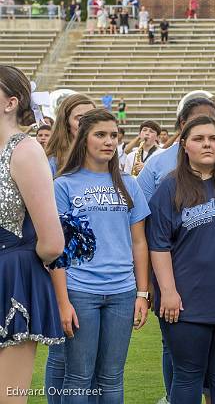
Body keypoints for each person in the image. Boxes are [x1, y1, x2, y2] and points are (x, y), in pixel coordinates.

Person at [137, 98, 215, 404]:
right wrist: (168, 291)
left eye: (214, 139)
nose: (208, 145)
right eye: (199, 139)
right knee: (188, 374)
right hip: (185, 299)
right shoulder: (169, 187)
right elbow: (158, 244)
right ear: (184, 145)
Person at [51, 108, 151, 402]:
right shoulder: (63, 185)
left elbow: (139, 242)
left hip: (122, 292)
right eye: (100, 135)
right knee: (79, 377)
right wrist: (62, 301)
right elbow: (59, 248)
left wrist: (142, 293)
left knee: (111, 377)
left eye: (114, 135)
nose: (109, 141)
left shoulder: (129, 184)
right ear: (84, 138)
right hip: (80, 291)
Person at [0, 65, 65, 400]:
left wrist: (18, 261)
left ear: (11, 102)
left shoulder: (24, 150)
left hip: (11, 277)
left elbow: (52, 242)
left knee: (8, 396)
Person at [45, 94, 96, 176]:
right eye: (80, 119)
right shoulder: (51, 163)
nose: (87, 123)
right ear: (66, 123)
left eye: (92, 118)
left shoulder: (103, 158)